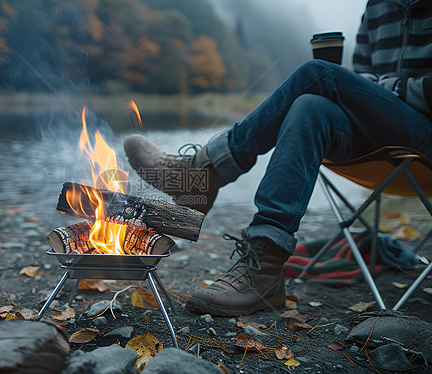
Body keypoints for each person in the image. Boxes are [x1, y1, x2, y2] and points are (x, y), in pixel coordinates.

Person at [123, 0, 432, 317]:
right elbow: (365, 71)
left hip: (426, 133)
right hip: (380, 133)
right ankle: (265, 269)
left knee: (316, 73)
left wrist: (373, 87)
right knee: (309, 105)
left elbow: (378, 84)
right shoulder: (378, 5)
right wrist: (359, 83)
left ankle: (205, 172)